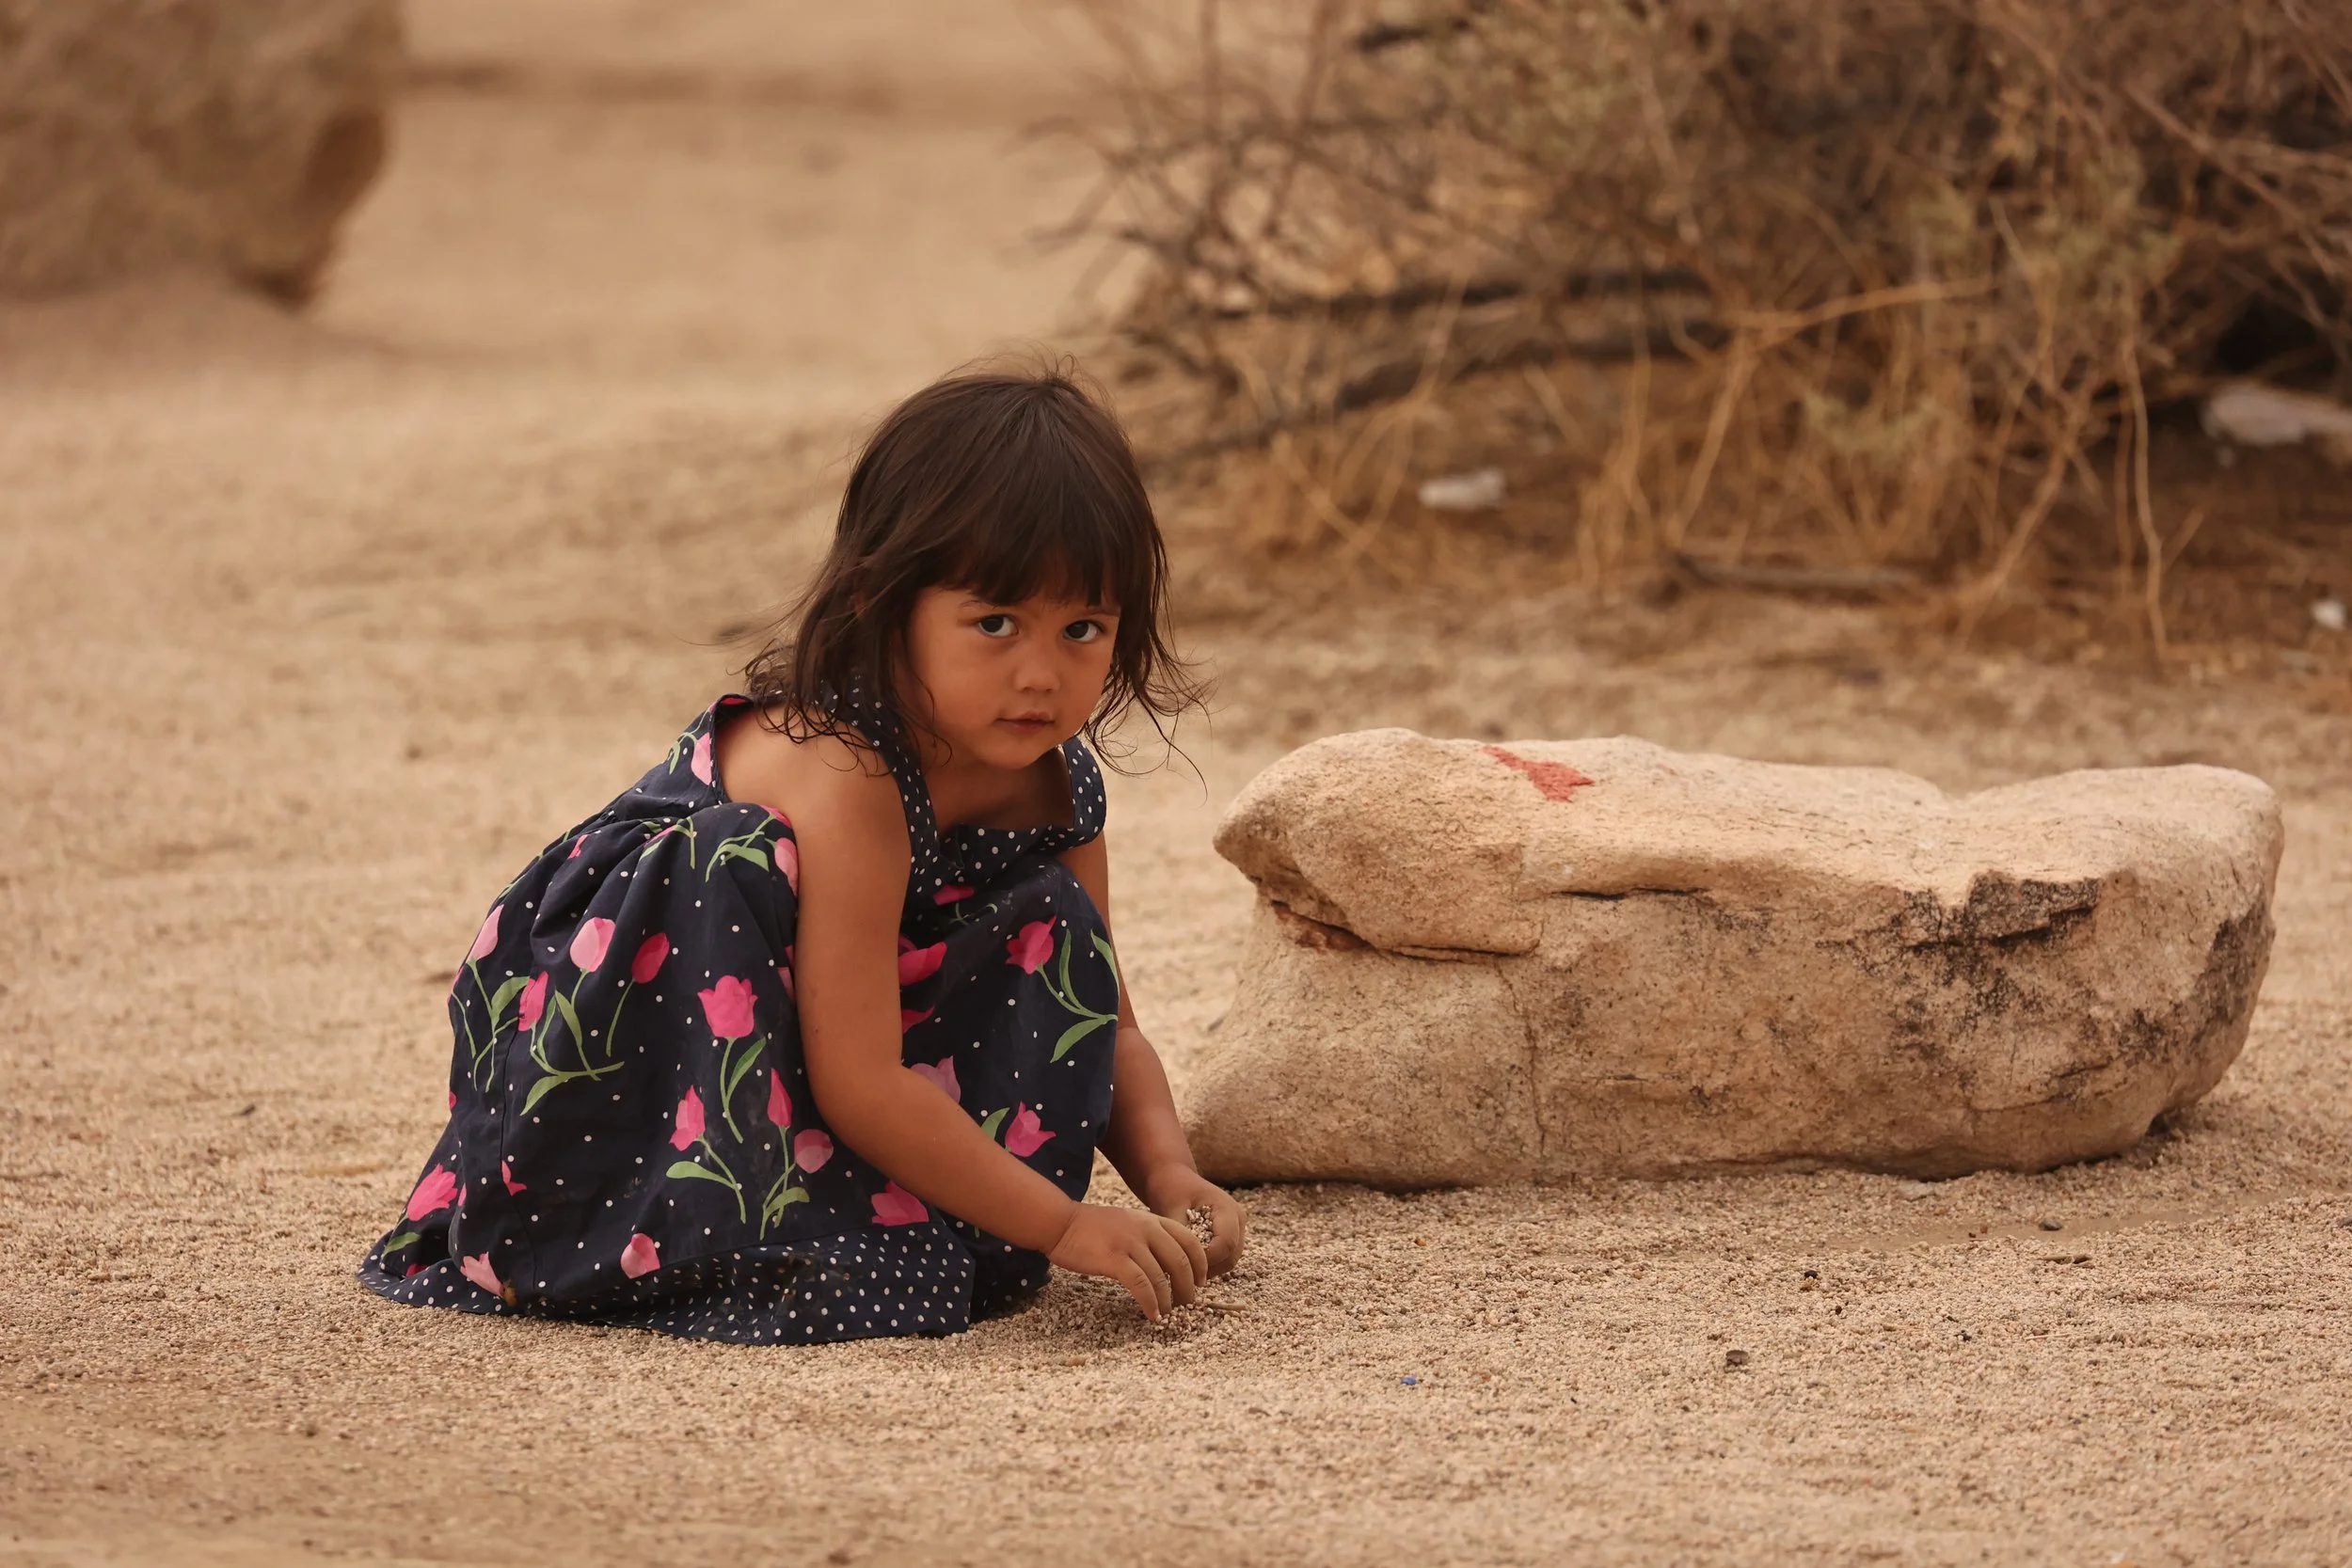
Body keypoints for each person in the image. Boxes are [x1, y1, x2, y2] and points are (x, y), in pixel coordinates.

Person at [358, 364, 1245, 1343]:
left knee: (1049, 915)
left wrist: (1169, 1173)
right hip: (623, 1046)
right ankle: (697, 1228)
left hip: (823, 1050)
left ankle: (896, 1209)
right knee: (735, 859)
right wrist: (1063, 1223)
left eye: (1083, 628)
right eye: (993, 623)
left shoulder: (1052, 778)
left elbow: (1107, 1021)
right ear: (882, 601)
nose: (1041, 672)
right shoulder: (846, 773)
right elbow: (859, 1076)